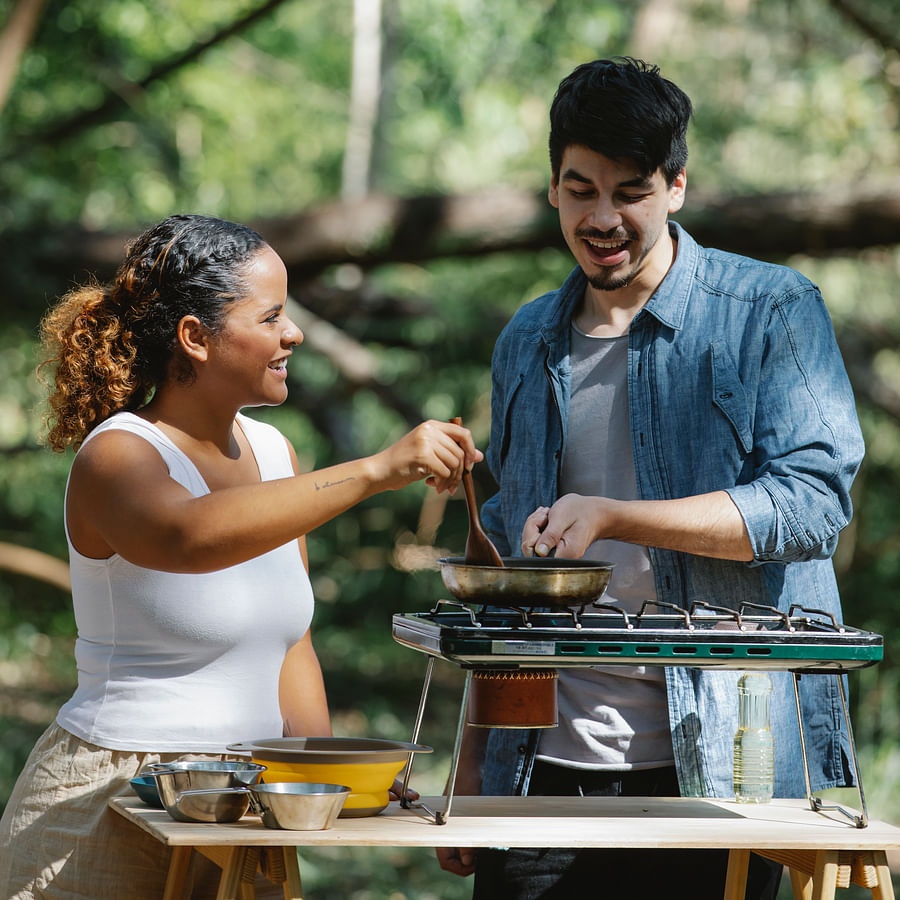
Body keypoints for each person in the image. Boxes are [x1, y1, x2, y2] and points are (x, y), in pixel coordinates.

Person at [436, 58, 864, 900]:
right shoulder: (526, 341)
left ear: (675, 187)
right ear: (553, 188)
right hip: (542, 771)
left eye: (629, 191)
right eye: (580, 188)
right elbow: (507, 593)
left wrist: (616, 515)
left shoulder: (769, 312)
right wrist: (471, 767)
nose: (602, 218)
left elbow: (813, 506)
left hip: (727, 768)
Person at [0, 214, 482, 900]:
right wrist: (377, 469)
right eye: (272, 315)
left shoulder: (275, 454)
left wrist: (329, 773)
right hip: (110, 800)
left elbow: (291, 645)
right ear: (196, 338)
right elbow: (187, 538)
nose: (295, 333)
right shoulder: (118, 454)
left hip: (244, 801)